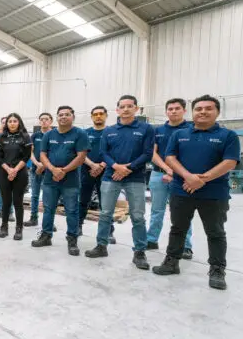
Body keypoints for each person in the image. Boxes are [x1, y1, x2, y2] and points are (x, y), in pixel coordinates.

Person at [152, 95, 240, 290]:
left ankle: (217, 270)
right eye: (199, 109)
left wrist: (202, 179)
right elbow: (170, 158)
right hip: (181, 190)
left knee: (215, 232)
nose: (203, 112)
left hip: (214, 193)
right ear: (192, 112)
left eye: (208, 108)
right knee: (178, 228)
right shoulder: (179, 134)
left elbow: (230, 162)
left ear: (217, 112)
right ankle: (172, 262)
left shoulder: (228, 135)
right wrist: (188, 177)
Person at [85, 95, 154, 269]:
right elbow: (104, 153)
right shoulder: (109, 130)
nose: (126, 109)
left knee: (137, 216)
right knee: (105, 213)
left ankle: (139, 252)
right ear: (117, 110)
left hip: (135, 178)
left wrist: (128, 168)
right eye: (122, 107)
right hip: (111, 176)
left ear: (136, 108)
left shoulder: (146, 129)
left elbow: (147, 153)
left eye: (129, 106)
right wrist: (116, 167)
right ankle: (101, 245)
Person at [32, 106, 88, 254]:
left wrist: (63, 170)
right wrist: (53, 169)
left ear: (73, 117)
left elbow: (81, 156)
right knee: (48, 209)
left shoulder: (80, 134)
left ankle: (72, 239)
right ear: (57, 117)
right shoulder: (49, 135)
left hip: (71, 181)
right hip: (50, 179)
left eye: (67, 114)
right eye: (61, 114)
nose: (63, 117)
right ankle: (46, 236)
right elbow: (43, 155)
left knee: (72, 210)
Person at [147, 98, 194, 258]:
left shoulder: (191, 129)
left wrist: (175, 172)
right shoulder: (158, 130)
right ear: (166, 111)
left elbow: (192, 154)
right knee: (156, 210)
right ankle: (151, 240)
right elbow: (152, 153)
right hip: (158, 174)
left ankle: (185, 246)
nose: (173, 111)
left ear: (184, 111)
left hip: (182, 176)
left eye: (177, 108)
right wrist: (167, 169)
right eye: (170, 109)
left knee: (183, 212)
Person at [78, 106, 115, 244]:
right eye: (95, 114)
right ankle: (78, 226)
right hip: (86, 171)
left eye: (101, 114)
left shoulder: (112, 132)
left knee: (106, 203)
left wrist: (102, 165)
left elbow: (114, 151)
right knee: (83, 200)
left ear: (106, 115)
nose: (98, 116)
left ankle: (108, 231)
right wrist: (93, 165)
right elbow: (80, 152)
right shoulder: (85, 133)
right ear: (91, 116)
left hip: (106, 172)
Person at [0, 114, 31, 240]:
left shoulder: (25, 137)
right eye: (10, 121)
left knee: (18, 201)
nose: (12, 123)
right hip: (4, 172)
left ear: (19, 122)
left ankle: (19, 228)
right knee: (6, 201)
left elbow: (26, 156)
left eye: (15, 121)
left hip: (20, 172)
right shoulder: (1, 137)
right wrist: (8, 169)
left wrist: (15, 170)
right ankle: (4, 226)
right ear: (7, 124)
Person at [24, 112, 54, 227]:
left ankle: (49, 221)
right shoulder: (35, 136)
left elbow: (56, 153)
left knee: (49, 197)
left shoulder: (55, 135)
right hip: (35, 170)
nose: (44, 121)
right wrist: (37, 164)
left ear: (51, 121)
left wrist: (45, 165)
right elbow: (30, 152)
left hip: (50, 171)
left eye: (46, 119)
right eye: (41, 119)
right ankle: (33, 218)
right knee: (35, 196)